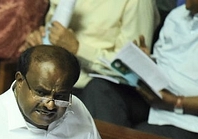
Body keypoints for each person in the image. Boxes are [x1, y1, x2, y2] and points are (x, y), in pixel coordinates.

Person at [81, 1, 197, 139]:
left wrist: (175, 102)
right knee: (99, 90)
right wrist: (146, 63)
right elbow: (167, 61)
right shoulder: (177, 16)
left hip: (187, 119)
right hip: (153, 99)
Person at [21, 0, 158, 97]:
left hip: (93, 91)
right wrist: (38, 44)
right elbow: (51, 31)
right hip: (50, 82)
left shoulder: (138, 2)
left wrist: (78, 49)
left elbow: (133, 71)